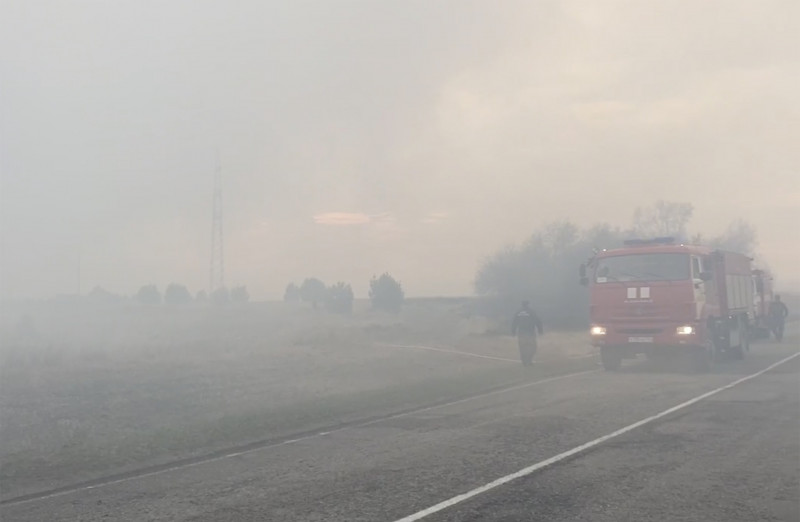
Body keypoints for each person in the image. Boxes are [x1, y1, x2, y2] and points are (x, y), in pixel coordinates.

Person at [511, 301, 544, 366]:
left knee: (522, 347)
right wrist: (540, 330)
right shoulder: (531, 311)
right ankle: (529, 360)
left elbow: (514, 322)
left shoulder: (518, 312)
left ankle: (524, 362)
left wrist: (513, 331)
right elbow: (537, 320)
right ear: (528, 304)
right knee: (533, 347)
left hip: (521, 332)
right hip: (530, 332)